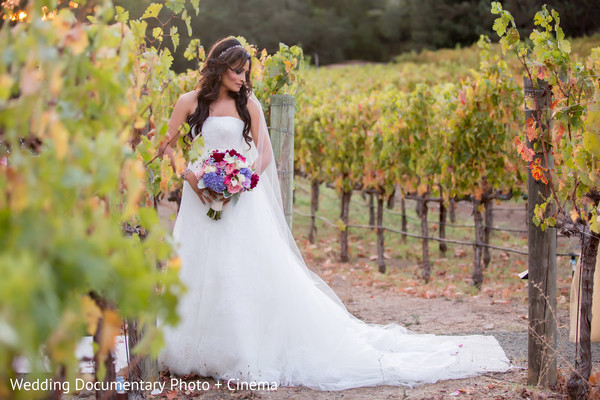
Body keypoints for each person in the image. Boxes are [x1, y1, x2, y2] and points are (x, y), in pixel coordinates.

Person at [156, 37, 511, 391]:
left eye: (245, 71)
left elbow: (263, 156)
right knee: (200, 268)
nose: (242, 78)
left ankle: (238, 351)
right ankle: (192, 348)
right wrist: (192, 176)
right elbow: (165, 148)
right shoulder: (189, 102)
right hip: (198, 199)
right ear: (220, 67)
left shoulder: (249, 104)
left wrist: (240, 181)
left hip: (239, 202)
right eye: (236, 70)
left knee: (238, 272)